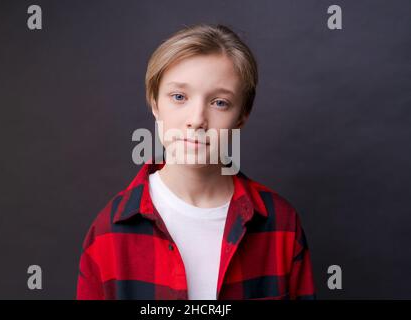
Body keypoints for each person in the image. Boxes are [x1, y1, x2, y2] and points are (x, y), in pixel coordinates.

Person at [76, 23, 316, 300]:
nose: (197, 119)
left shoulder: (281, 225)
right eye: (179, 97)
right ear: (155, 104)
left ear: (242, 116)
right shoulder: (109, 232)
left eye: (219, 102)